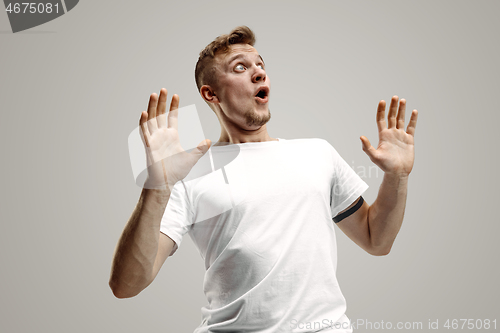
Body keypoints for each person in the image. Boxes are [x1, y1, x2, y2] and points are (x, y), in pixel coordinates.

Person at [109, 26, 418, 332]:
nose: (258, 73)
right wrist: (156, 188)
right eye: (240, 67)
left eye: (260, 66)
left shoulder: (317, 153)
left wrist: (397, 176)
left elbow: (377, 240)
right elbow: (126, 286)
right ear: (210, 93)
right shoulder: (189, 173)